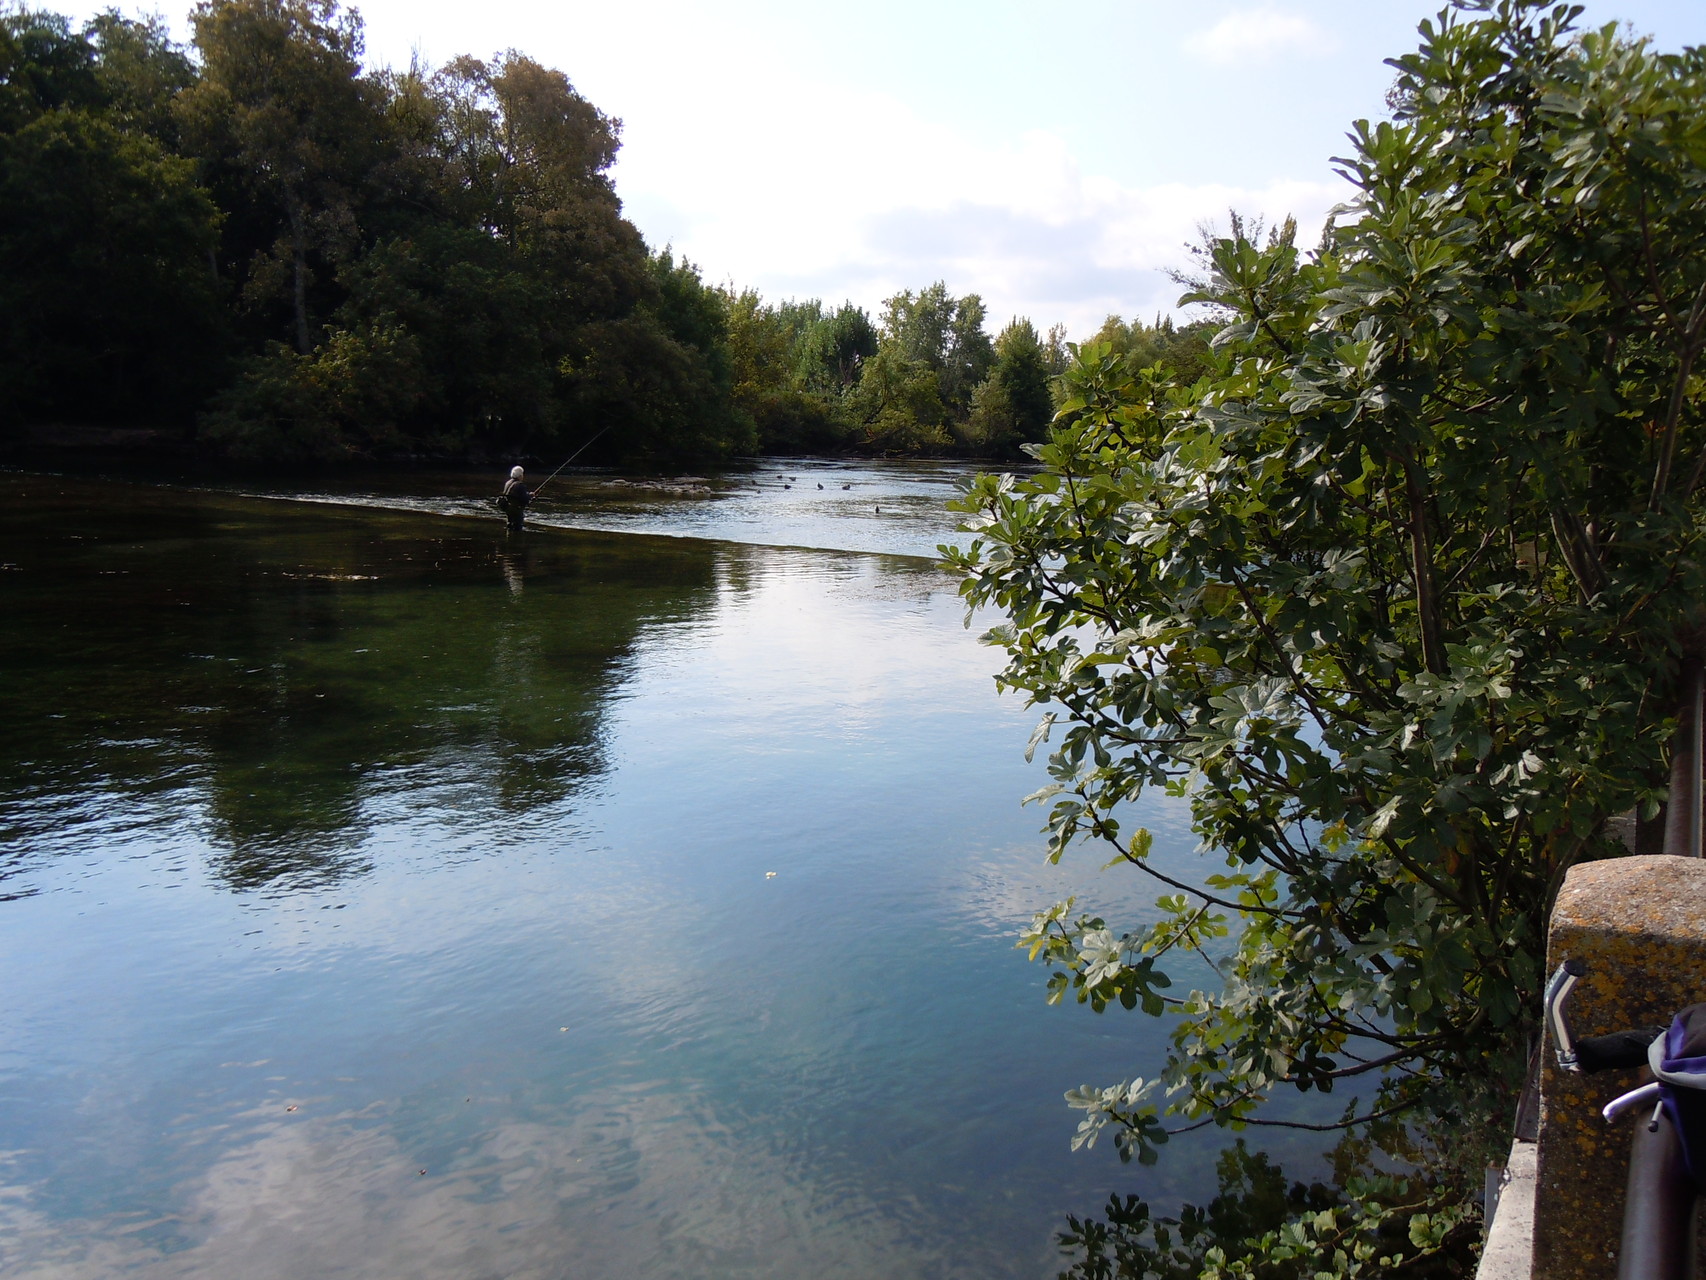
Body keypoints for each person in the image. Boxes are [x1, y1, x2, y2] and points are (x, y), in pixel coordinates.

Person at [498, 465, 531, 532]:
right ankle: (516, 540)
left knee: (510, 525)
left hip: (507, 508)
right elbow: (524, 499)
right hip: (516, 510)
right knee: (517, 527)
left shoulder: (508, 483)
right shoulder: (520, 485)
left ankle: (509, 538)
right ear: (520, 475)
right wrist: (530, 496)